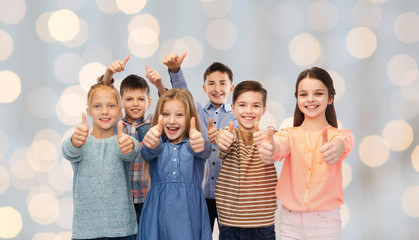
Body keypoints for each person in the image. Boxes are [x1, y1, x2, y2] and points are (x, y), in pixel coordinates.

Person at [258, 67, 355, 240]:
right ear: (297, 99)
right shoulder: (289, 134)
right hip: (290, 221)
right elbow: (280, 145)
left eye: (318, 93)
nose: (310, 99)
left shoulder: (338, 136)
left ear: (330, 98)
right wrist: (271, 148)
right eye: (303, 95)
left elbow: (344, 143)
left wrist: (336, 148)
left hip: (326, 221)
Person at [163, 52, 238, 232]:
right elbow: (183, 92)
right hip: (201, 193)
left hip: (227, 194)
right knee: (199, 233)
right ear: (204, 88)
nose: (217, 88)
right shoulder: (198, 112)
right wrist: (175, 70)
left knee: (229, 234)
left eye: (222, 83)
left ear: (231, 87)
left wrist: (220, 136)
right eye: (211, 83)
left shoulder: (236, 116)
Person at [62, 82, 140, 240]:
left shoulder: (123, 141)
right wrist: (74, 141)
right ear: (89, 111)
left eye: (111, 106)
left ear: (119, 110)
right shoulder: (81, 142)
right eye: (97, 106)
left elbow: (132, 152)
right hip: (86, 231)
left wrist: (130, 145)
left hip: (122, 230)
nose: (105, 111)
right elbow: (68, 151)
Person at [137, 88, 212, 240]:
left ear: (190, 117)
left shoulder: (195, 145)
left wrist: (200, 142)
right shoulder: (156, 146)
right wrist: (151, 142)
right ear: (159, 116)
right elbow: (147, 152)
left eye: (179, 115)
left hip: (189, 218)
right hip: (158, 217)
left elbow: (205, 150)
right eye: (166, 114)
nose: (172, 121)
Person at [100, 54, 164, 228]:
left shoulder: (153, 123)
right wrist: (108, 74)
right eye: (129, 99)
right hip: (122, 201)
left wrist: (158, 84)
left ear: (149, 102)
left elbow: (170, 104)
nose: (135, 104)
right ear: (120, 103)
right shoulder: (116, 124)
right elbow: (102, 97)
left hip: (148, 199)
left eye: (141, 99)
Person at [215, 80, 278, 240]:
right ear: (233, 108)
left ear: (263, 110)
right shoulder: (229, 134)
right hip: (230, 223)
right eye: (242, 105)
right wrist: (222, 138)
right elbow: (222, 139)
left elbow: (277, 144)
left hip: (263, 224)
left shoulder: (269, 136)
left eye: (255, 106)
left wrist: (272, 144)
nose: (248, 111)